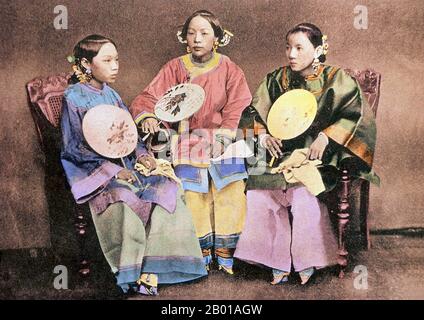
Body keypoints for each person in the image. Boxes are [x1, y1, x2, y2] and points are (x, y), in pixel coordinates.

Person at [61, 34, 207, 296]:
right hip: (95, 170)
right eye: (107, 60)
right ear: (85, 64)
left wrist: (142, 156)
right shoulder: (73, 97)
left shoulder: (113, 95)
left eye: (116, 59)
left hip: (126, 161)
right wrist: (115, 170)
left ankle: (155, 267)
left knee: (165, 187)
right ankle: (130, 271)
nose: (115, 66)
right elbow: (73, 147)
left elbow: (130, 135)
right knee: (123, 194)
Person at [234, 23, 378, 285]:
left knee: (302, 194)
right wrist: (264, 136)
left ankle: (306, 259)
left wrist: (326, 136)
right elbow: (253, 112)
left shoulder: (336, 79)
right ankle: (274, 260)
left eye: (299, 48)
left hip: (321, 155)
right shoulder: (276, 79)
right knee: (259, 192)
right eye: (288, 47)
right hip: (279, 153)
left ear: (318, 49)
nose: (291, 54)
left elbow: (356, 116)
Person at [130, 10, 252, 275]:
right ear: (184, 37)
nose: (197, 39)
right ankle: (201, 250)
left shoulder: (229, 68)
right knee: (192, 186)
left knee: (229, 184)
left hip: (222, 136)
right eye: (191, 33)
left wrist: (223, 136)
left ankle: (225, 249)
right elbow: (147, 97)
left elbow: (236, 106)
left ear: (217, 38)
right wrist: (149, 117)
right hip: (186, 137)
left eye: (204, 33)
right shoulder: (174, 67)